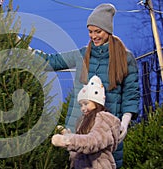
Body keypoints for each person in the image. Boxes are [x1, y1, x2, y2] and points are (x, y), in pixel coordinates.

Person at [35, 3, 140, 168]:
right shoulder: (83, 54)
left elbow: (131, 93)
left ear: (108, 31)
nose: (93, 36)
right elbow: (51, 61)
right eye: (90, 32)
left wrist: (125, 121)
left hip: (107, 129)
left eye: (98, 31)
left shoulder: (125, 58)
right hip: (80, 127)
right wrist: (23, 46)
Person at [51, 75, 121, 169]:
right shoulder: (83, 121)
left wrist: (67, 140)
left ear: (96, 102)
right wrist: (67, 135)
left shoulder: (104, 119)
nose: (83, 108)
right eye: (81, 105)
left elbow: (93, 141)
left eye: (86, 104)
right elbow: (79, 148)